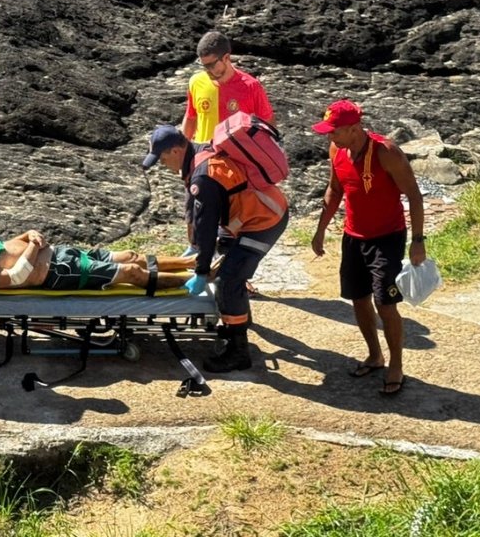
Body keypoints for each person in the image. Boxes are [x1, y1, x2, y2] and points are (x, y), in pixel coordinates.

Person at [142, 125, 288, 373]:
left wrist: (200, 271)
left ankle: (238, 350)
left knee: (227, 280)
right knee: (228, 265)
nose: (164, 165)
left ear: (177, 150)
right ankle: (238, 319)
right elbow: (206, 220)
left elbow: (206, 226)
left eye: (164, 159)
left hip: (263, 221)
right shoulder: (200, 153)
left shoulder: (203, 176)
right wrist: (198, 249)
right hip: (251, 215)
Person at [310, 100, 426, 396]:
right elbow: (335, 189)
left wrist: (418, 241)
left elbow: (413, 194)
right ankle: (375, 356)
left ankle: (396, 366)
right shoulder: (336, 149)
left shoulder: (386, 152)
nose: (329, 137)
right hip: (353, 236)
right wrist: (320, 230)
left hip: (387, 237)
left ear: (353, 128)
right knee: (358, 299)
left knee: (385, 304)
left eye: (334, 131)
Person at [179, 31, 276, 262]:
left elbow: (267, 126)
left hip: (234, 165)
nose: (208, 71)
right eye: (203, 66)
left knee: (231, 220)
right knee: (194, 213)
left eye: (212, 64)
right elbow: (191, 118)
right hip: (201, 160)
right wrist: (184, 157)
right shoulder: (197, 82)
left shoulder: (250, 87)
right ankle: (194, 259)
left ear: (227, 58)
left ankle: (232, 272)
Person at [0, 232, 196, 291]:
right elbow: (17, 276)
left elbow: (12, 245)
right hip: (59, 271)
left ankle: (193, 262)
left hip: (62, 252)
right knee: (131, 272)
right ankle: (190, 282)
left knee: (130, 256)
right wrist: (33, 246)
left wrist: (28, 234)